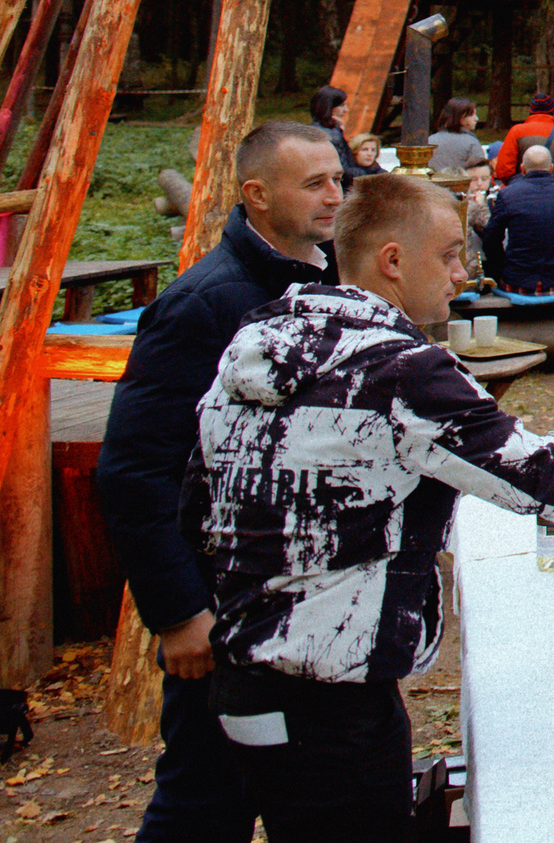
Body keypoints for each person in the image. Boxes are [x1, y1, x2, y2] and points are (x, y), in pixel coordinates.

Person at [185, 173, 554, 843]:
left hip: (246, 675)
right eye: (449, 254)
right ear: (393, 260)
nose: (463, 274)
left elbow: (197, 503)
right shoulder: (397, 369)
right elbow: (547, 477)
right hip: (331, 704)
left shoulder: (258, 341)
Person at [95, 121, 343, 843]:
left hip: (305, 599)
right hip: (224, 604)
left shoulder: (326, 276)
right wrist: (178, 612)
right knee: (206, 799)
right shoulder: (203, 302)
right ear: (257, 195)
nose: (335, 195)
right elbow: (135, 469)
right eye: (315, 183)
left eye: (338, 179)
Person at [479, 143, 554, 295]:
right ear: (551, 168)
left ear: (522, 169)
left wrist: (504, 266)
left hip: (517, 280)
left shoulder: (508, 195)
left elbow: (490, 239)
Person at [490, 92, 554, 181]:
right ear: (552, 110)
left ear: (531, 110)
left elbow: (504, 170)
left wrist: (514, 184)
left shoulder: (516, 132)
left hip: (523, 186)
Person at [308, 85, 356, 178]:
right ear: (328, 107)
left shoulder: (315, 130)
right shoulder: (331, 136)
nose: (346, 110)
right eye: (341, 105)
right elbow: (344, 172)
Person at [427, 99, 482, 175]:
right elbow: (480, 170)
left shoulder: (430, 140)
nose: (476, 119)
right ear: (459, 117)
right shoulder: (471, 142)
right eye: (471, 115)